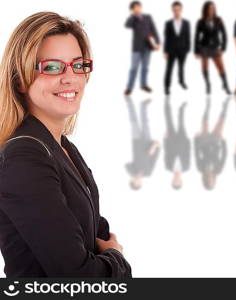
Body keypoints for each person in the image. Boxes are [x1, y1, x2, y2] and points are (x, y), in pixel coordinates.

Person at [0, 12, 131, 277]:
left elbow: (94, 231)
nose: (70, 77)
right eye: (52, 67)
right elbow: (79, 277)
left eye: (78, 65)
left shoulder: (61, 147)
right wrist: (117, 258)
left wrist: (107, 255)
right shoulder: (24, 156)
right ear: (21, 79)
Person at [194, 1, 231, 95]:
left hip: (215, 47)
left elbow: (224, 34)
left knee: (221, 67)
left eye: (213, 8)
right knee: (204, 67)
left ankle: (225, 84)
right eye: (210, 8)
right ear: (205, 9)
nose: (211, 10)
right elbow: (196, 37)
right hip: (204, 47)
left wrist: (223, 48)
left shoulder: (219, 20)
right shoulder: (200, 21)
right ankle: (208, 84)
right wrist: (196, 51)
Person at [125, 1, 160, 96]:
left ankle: (143, 84)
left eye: (138, 7)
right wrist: (133, 15)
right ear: (132, 9)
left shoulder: (148, 17)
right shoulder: (133, 19)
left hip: (148, 46)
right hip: (137, 47)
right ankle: (129, 87)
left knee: (145, 67)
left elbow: (154, 29)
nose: (137, 9)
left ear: (141, 7)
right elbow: (127, 25)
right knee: (134, 68)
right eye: (135, 8)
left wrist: (158, 42)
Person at [125, 97, 160, 190]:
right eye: (138, 183)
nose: (137, 181)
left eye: (135, 182)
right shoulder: (148, 172)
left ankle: (129, 101)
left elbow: (127, 165)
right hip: (147, 143)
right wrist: (156, 147)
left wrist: (134, 174)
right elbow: (154, 159)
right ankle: (143, 105)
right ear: (140, 183)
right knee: (145, 123)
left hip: (136, 142)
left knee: (134, 121)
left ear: (132, 181)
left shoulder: (132, 170)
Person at [195, 97, 230, 190]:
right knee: (221, 121)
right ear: (214, 181)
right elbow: (224, 156)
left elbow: (196, 154)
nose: (210, 180)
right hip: (215, 141)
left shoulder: (200, 169)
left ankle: (208, 104)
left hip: (204, 142)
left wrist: (196, 140)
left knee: (204, 121)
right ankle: (226, 104)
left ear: (205, 181)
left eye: (208, 182)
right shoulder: (219, 170)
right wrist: (223, 142)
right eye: (212, 183)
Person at [163, 1, 191, 95]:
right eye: (175, 10)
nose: (176, 11)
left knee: (181, 67)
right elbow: (166, 38)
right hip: (171, 50)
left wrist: (188, 49)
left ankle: (181, 82)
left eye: (178, 9)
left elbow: (188, 36)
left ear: (181, 10)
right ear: (172, 10)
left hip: (183, 50)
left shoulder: (187, 23)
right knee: (169, 69)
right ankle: (167, 87)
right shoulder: (168, 23)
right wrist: (165, 51)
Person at [164, 97, 191, 190]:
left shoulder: (168, 167)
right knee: (181, 123)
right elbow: (188, 154)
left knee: (169, 121)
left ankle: (166, 102)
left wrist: (165, 139)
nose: (176, 180)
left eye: (174, 181)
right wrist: (188, 141)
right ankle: (181, 108)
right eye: (178, 182)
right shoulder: (187, 167)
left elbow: (166, 153)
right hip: (183, 141)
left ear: (171, 180)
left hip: (171, 141)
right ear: (181, 181)